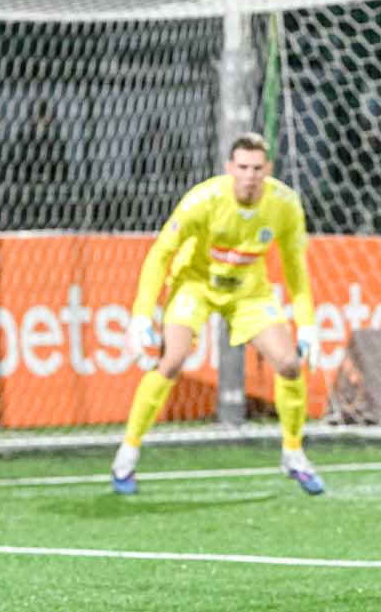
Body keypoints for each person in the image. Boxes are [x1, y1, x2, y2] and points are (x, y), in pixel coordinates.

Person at [111, 133, 323, 496]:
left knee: (289, 364)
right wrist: (141, 315)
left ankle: (293, 453)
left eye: (257, 168)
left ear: (268, 169)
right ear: (229, 168)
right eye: (243, 167)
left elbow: (295, 268)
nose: (250, 176)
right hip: (195, 285)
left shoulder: (284, 204)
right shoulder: (204, 199)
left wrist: (307, 325)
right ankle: (127, 454)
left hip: (248, 291)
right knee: (172, 361)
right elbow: (161, 253)